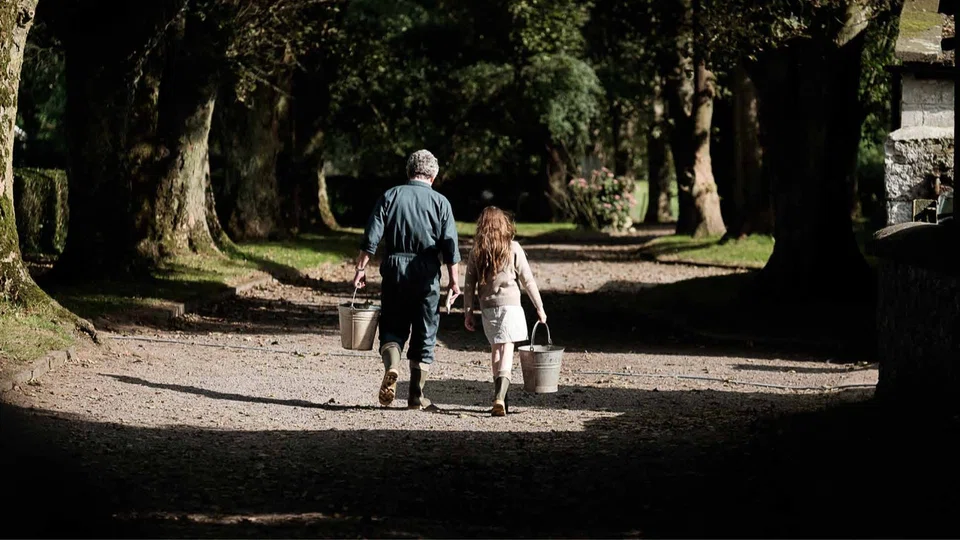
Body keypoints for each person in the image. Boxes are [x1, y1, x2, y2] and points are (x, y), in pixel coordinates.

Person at [353, 149, 461, 411]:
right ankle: (416, 396)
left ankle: (392, 366)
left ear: (409, 171)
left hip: (394, 269)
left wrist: (360, 268)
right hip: (426, 273)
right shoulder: (441, 203)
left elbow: (372, 237)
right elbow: (450, 247)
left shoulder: (390, 196)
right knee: (425, 332)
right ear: (433, 176)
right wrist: (454, 282)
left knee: (392, 326)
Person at [463, 206, 546, 417]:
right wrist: (539, 307)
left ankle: (500, 397)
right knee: (508, 349)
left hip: (488, 308)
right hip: (511, 306)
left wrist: (468, 312)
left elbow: (469, 285)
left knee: (495, 350)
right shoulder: (513, 247)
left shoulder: (476, 251)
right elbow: (528, 280)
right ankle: (501, 397)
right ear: (504, 225)